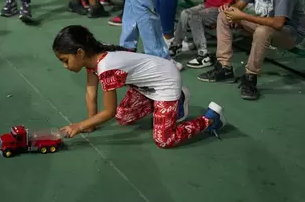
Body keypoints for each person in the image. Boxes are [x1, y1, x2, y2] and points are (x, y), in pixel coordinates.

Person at [53, 25, 226, 148]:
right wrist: (90, 123)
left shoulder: (106, 68)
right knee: (123, 117)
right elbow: (91, 93)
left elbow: (108, 111)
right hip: (146, 86)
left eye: (65, 60)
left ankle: (211, 119)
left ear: (80, 53)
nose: (65, 66)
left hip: (166, 81)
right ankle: (175, 103)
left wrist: (80, 126)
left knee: (164, 140)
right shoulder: (93, 59)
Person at [198, 0, 305, 101]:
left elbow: (278, 23)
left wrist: (242, 17)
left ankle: (250, 78)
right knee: (224, 16)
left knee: (263, 31)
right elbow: (239, 7)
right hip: (266, 27)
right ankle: (224, 68)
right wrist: (230, 10)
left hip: (290, 34)